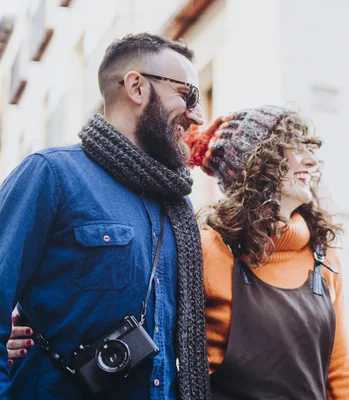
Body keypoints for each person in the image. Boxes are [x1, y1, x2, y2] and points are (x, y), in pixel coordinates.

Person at [0, 33, 210, 399]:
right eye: (188, 94)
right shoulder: (50, 174)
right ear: (137, 87)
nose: (197, 115)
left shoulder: (178, 204)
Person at [182, 105, 349, 399]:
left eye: (309, 149)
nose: (311, 161)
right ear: (256, 165)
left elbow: (340, 371)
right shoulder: (208, 250)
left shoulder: (324, 257)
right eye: (293, 148)